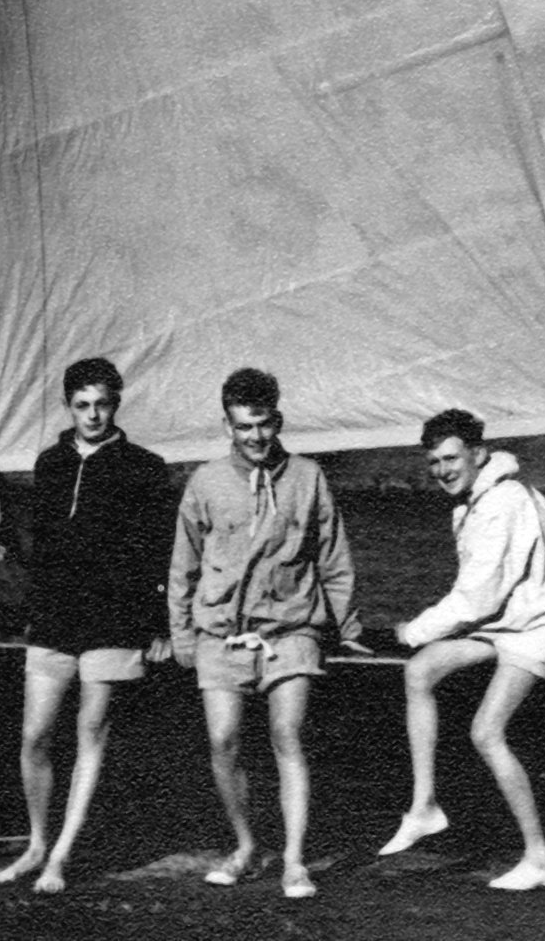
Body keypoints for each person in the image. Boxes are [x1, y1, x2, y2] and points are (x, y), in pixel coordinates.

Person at [168, 366, 367, 901]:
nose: (255, 438)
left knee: (287, 734)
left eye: (264, 425)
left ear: (277, 419)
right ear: (227, 425)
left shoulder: (308, 477)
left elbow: (334, 560)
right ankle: (246, 846)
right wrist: (183, 636)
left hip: (291, 630)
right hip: (220, 635)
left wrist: (345, 627)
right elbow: (182, 568)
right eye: (243, 427)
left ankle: (296, 860)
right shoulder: (205, 482)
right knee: (223, 739)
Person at [0, 356, 172, 893]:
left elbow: (157, 552)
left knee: (91, 732)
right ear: (68, 407)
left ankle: (61, 856)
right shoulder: (50, 463)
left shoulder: (144, 467)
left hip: (115, 621)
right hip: (53, 618)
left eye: (103, 404)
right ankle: (38, 842)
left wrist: (159, 625)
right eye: (82, 405)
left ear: (117, 403)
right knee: (35, 734)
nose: (93, 415)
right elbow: (40, 547)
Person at [378, 408, 545, 891]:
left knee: (486, 732)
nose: (443, 470)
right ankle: (424, 806)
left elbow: (477, 597)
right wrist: (424, 641)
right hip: (504, 623)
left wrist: (412, 631)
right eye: (434, 462)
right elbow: (483, 597)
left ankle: (538, 857)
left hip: (536, 628)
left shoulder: (501, 502)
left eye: (451, 458)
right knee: (420, 672)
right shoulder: (472, 503)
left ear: (478, 455)